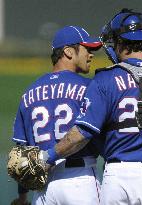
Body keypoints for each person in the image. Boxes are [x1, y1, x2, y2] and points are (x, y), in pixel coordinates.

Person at [41, 8, 142, 205]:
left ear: (120, 42)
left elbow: (83, 131)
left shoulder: (105, 78)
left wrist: (47, 156)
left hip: (117, 178)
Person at [11, 25, 102, 205]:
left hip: (43, 188)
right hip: (80, 181)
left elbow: (21, 153)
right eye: (87, 49)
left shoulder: (29, 92)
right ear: (68, 52)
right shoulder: (90, 87)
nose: (91, 54)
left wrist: (22, 196)